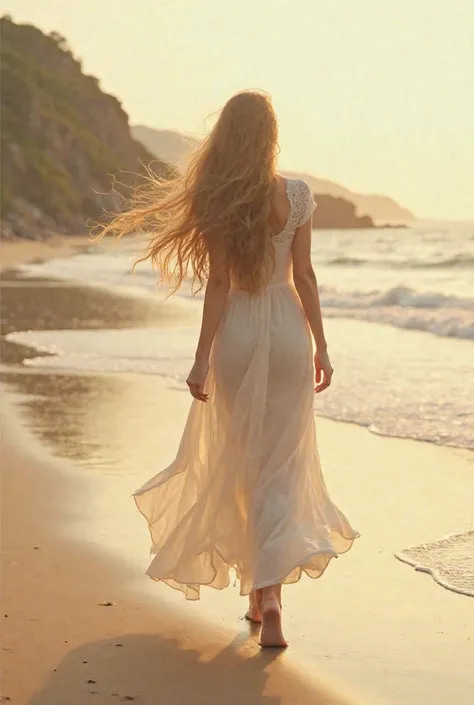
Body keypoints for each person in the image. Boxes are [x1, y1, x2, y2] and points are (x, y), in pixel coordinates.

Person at [98, 90, 359, 648]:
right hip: (288, 329)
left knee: (243, 458)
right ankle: (269, 594)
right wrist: (322, 346)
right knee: (283, 464)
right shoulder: (297, 195)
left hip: (238, 332)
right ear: (270, 136)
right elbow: (305, 277)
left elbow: (217, 284)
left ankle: (259, 592)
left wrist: (200, 357)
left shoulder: (218, 200)